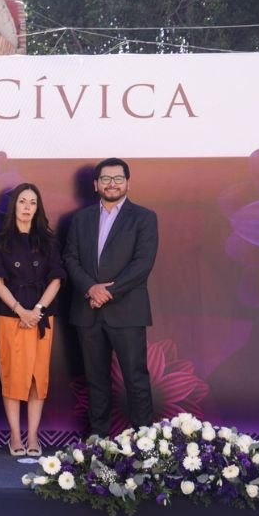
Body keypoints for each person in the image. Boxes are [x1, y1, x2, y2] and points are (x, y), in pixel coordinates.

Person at [63, 158, 159, 438]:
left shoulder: (144, 217)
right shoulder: (80, 219)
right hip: (87, 311)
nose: (112, 183)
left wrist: (107, 292)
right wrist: (90, 288)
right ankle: (99, 443)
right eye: (106, 178)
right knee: (95, 381)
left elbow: (143, 264)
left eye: (118, 178)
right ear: (96, 185)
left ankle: (145, 446)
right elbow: (69, 257)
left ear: (128, 183)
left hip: (127, 311)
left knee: (136, 379)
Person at [0, 184, 65, 457]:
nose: (27, 206)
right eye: (22, 201)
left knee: (36, 378)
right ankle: (14, 437)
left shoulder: (49, 239)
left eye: (33, 201)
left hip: (42, 316)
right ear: (14, 206)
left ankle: (33, 437)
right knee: (12, 375)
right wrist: (21, 310)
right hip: (10, 314)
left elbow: (57, 278)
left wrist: (38, 309)